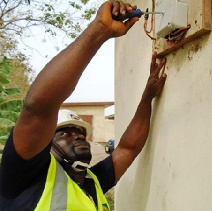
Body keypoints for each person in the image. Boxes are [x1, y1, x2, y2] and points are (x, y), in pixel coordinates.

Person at [0, 0, 167, 210]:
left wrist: (146, 98)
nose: (79, 136)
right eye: (65, 133)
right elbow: (38, 107)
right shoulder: (24, 179)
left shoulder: (92, 182)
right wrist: (100, 30)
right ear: (46, 146)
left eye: (79, 132)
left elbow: (128, 148)